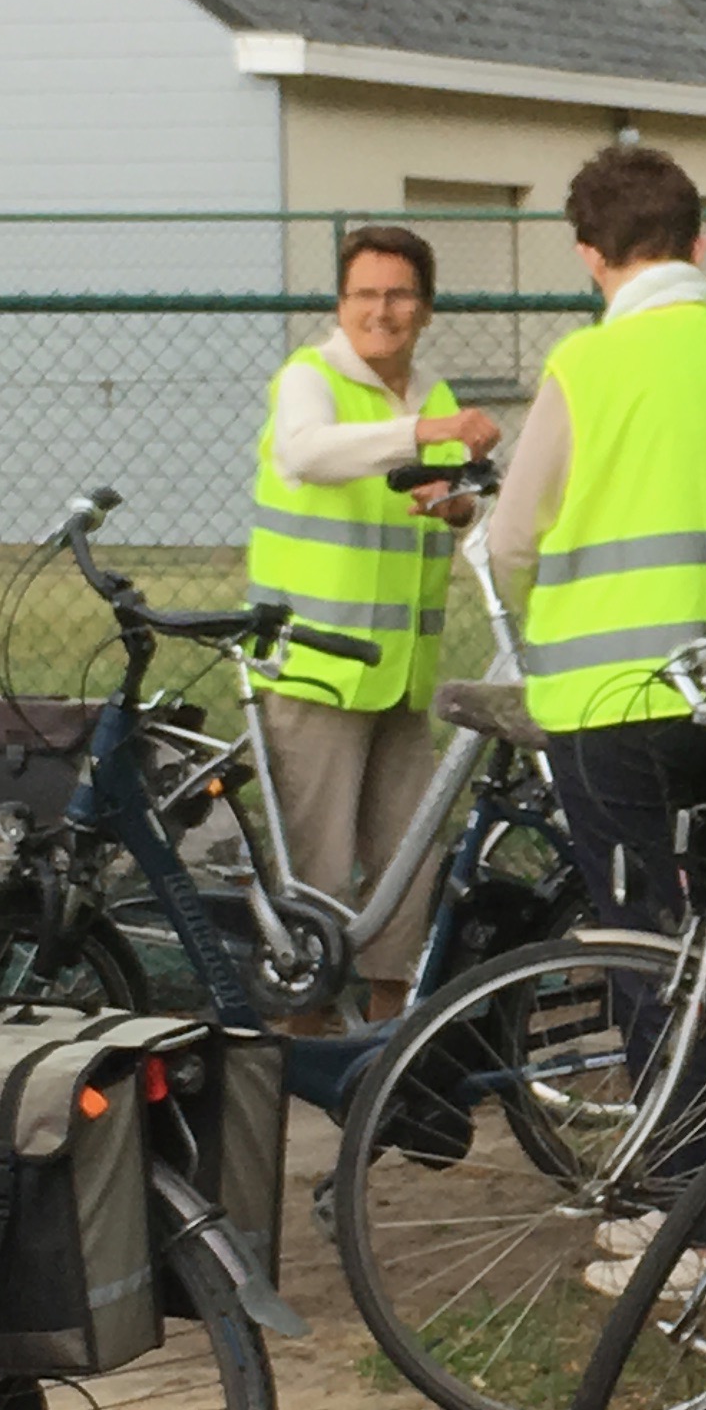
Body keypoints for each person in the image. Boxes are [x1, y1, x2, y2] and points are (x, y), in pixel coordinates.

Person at [491, 143, 706, 927]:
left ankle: (670, 1055)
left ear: (589, 255)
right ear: (700, 244)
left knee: (643, 939)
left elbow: (511, 543)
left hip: (607, 703)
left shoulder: (584, 366)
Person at [247, 225, 500, 1022]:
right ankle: (305, 1036)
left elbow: (455, 506)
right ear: (340, 304)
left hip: (398, 672)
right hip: (316, 668)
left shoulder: (437, 394)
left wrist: (458, 505)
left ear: (424, 309)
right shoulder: (309, 378)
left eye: (397, 295)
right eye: (365, 295)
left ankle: (391, 1037)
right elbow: (307, 454)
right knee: (313, 872)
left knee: (408, 859)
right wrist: (425, 435)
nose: (380, 311)